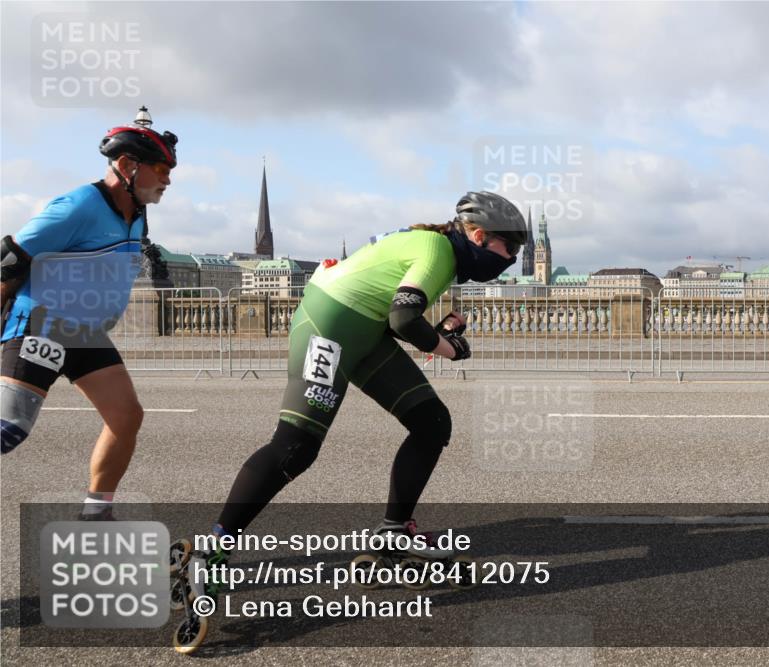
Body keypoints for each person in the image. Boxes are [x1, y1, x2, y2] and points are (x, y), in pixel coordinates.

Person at [192, 190, 526, 593]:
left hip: (362, 330)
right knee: (295, 446)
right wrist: (448, 349)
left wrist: (436, 335)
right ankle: (213, 549)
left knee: (431, 422)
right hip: (329, 325)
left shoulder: (435, 248)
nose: (511, 260)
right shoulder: (438, 250)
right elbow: (403, 318)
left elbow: (391, 314)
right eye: (509, 248)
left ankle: (394, 531)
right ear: (479, 237)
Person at [0, 107, 178, 520]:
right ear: (126, 165)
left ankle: (96, 516)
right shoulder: (79, 205)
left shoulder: (137, 217)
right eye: (160, 169)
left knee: (126, 415)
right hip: (42, 324)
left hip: (85, 332)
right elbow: (9, 260)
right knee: (8, 431)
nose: (167, 180)